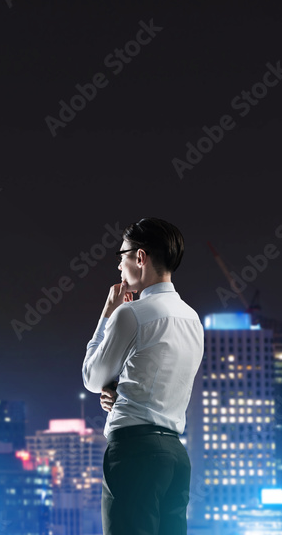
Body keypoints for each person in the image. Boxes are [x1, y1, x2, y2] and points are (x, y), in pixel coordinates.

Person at [82, 217, 204, 535]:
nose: (119, 267)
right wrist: (121, 389)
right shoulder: (193, 319)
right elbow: (156, 373)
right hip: (176, 457)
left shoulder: (130, 314)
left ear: (140, 257)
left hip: (134, 452)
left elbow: (92, 377)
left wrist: (108, 311)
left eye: (121, 256)